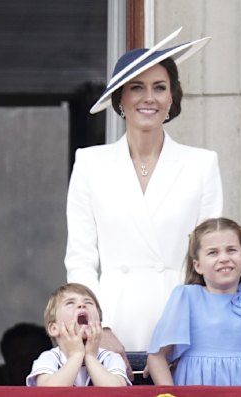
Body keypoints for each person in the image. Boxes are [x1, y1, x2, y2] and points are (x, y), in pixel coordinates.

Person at [64, 26, 223, 375]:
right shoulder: (90, 164)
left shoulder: (201, 164)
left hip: (182, 333)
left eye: (159, 88)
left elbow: (210, 259)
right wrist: (96, 328)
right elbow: (80, 259)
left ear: (172, 99)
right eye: (137, 87)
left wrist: (180, 335)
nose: (148, 98)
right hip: (111, 326)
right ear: (121, 99)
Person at [147, 217, 241, 386]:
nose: (224, 258)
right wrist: (170, 393)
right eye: (213, 252)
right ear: (197, 266)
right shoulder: (186, 298)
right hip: (194, 388)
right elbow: (156, 356)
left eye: (231, 250)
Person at [26, 283, 130, 386]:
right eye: (70, 303)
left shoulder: (110, 358)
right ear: (54, 328)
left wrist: (91, 357)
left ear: (100, 324)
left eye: (89, 302)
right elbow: (48, 391)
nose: (82, 305)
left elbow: (117, 391)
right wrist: (76, 355)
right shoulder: (48, 358)